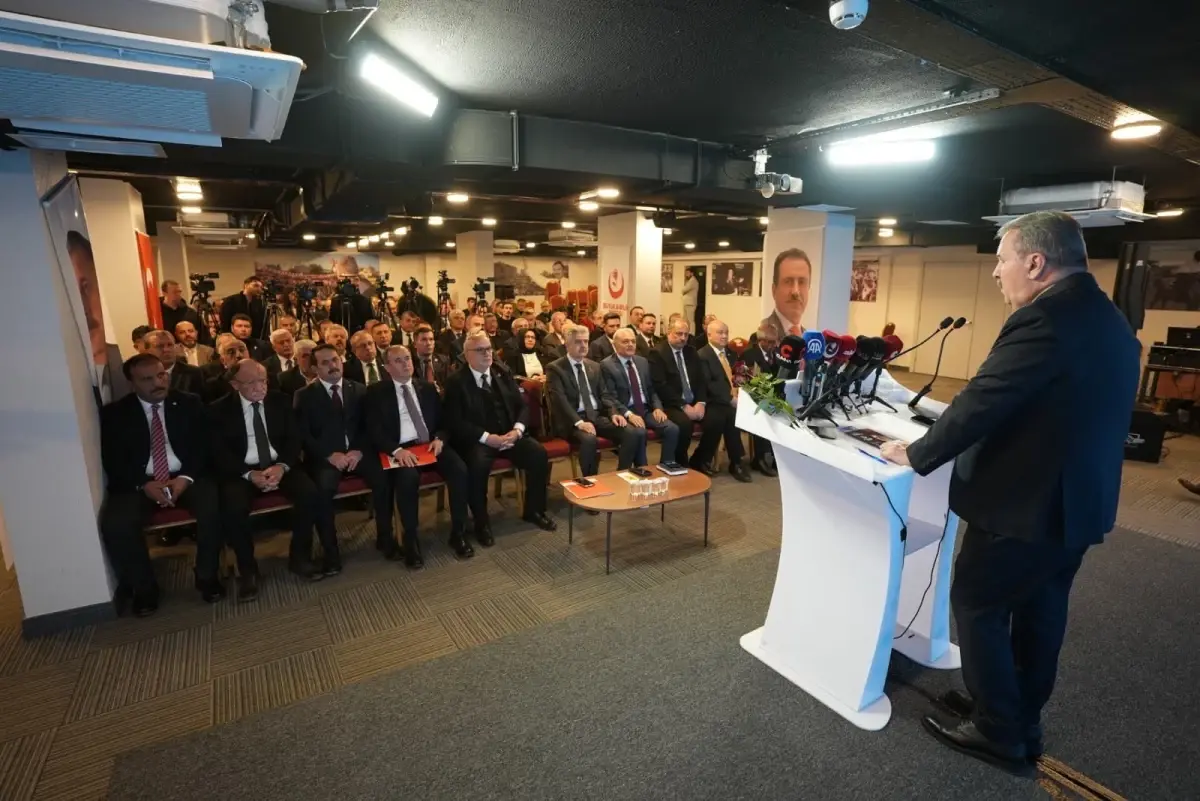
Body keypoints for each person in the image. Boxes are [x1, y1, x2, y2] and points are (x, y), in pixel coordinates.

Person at [879, 211, 1141, 774]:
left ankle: (998, 728)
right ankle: (1019, 716)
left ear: (1036, 262)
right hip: (1077, 505)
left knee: (979, 604)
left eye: (1002, 260)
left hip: (1025, 505)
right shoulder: (1109, 317)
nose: (997, 272)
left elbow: (984, 400)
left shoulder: (1044, 318)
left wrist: (916, 453)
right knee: (1041, 612)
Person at [99, 353, 225, 612]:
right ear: (132, 383)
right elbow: (113, 459)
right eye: (147, 379)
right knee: (117, 523)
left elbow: (204, 447)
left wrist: (185, 478)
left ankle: (207, 576)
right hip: (140, 482)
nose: (158, 383)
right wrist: (143, 485)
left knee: (214, 507)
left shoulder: (189, 403)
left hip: (186, 475)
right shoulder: (116, 414)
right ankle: (144, 588)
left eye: (161, 375)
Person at [209, 359, 323, 587]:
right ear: (234, 384)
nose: (259, 387)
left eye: (263, 381)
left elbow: (294, 439)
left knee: (310, 494)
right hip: (242, 471)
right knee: (233, 507)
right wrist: (248, 474)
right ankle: (248, 569)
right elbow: (218, 451)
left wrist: (282, 466)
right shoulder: (218, 410)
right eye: (251, 382)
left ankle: (300, 557)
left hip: (279, 464)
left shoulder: (280, 401)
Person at [442, 330, 557, 542]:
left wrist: (517, 430)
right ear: (467, 355)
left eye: (489, 349)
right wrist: (487, 438)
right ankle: (481, 523)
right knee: (477, 466)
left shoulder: (501, 371)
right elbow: (455, 422)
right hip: (479, 440)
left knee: (538, 454)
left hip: (509, 434)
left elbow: (522, 406)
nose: (487, 354)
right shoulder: (456, 382)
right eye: (480, 350)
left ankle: (534, 510)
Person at [367, 345, 475, 565]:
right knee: (407, 480)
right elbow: (374, 430)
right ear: (387, 367)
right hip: (401, 449)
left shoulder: (426, 387)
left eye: (407, 358)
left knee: (460, 470)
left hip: (429, 445)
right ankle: (411, 539)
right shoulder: (376, 393)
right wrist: (396, 450)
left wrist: (440, 438)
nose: (405, 363)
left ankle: (458, 532)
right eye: (398, 360)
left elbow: (444, 421)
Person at [295, 344, 395, 570]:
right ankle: (331, 552)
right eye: (325, 363)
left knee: (383, 480)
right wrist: (329, 455)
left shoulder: (358, 389)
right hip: (326, 458)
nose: (333, 366)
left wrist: (358, 450)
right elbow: (303, 435)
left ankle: (386, 538)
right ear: (315, 369)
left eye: (335, 360)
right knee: (323, 491)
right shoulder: (304, 396)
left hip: (358, 453)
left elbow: (369, 426)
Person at [546, 325, 641, 477]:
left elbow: (605, 395)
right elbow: (560, 400)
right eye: (578, 342)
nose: (583, 345)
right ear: (567, 344)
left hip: (596, 416)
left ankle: (622, 474)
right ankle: (591, 480)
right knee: (589, 440)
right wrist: (579, 423)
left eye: (586, 341)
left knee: (631, 432)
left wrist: (613, 413)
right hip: (572, 420)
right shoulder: (556, 368)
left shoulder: (594, 366)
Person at [600, 328, 680, 468]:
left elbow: (651, 389)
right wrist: (629, 414)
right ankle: (640, 469)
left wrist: (657, 408)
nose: (630, 344)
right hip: (625, 411)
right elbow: (610, 397)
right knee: (639, 431)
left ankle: (666, 466)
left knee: (672, 429)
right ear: (615, 344)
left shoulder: (642, 362)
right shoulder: (607, 365)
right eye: (625, 342)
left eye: (633, 341)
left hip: (646, 409)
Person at [693, 320, 752, 482]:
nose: (724, 336)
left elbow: (737, 376)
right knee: (722, 417)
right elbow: (709, 384)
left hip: (730, 399)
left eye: (726, 332)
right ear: (709, 334)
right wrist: (730, 399)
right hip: (710, 400)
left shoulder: (731, 353)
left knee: (731, 415)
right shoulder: (703, 355)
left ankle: (736, 462)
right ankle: (703, 459)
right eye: (720, 333)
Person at [647, 318, 705, 466]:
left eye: (686, 334)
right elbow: (661, 386)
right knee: (684, 424)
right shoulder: (657, 353)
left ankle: (701, 459)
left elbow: (700, 380)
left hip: (693, 401)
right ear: (669, 332)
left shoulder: (691, 351)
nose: (683, 338)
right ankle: (679, 461)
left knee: (717, 418)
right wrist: (684, 406)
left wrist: (701, 402)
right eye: (679, 334)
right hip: (671, 403)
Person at [742, 323, 781, 477]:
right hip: (753, 397)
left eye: (775, 342)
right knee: (763, 413)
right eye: (770, 342)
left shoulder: (777, 354)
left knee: (785, 413)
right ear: (761, 341)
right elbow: (746, 382)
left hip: (772, 396)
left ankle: (777, 457)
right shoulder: (749, 355)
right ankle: (760, 458)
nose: (773, 345)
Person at [762, 249, 811, 337]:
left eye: (801, 282)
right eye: (788, 282)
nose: (795, 291)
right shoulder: (761, 336)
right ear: (774, 291)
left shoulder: (809, 340)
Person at [142, 330, 204, 396]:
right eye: (160, 346)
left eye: (170, 345)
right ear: (147, 351)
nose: (166, 350)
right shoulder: (139, 375)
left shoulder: (192, 373)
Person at [160, 280, 211, 346]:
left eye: (179, 292)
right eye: (174, 292)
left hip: (190, 349)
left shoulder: (191, 313)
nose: (178, 295)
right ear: (164, 293)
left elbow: (203, 335)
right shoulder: (158, 313)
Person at [411, 324, 452, 391]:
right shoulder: (410, 363)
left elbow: (449, 385)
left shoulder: (443, 360)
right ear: (415, 344)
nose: (428, 343)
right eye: (424, 340)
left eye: (431, 339)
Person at [681, 267, 699, 334]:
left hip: (690, 303)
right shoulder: (689, 281)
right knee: (685, 320)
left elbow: (684, 290)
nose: (686, 274)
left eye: (687, 273)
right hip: (687, 303)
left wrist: (683, 290)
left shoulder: (692, 280)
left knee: (691, 320)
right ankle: (686, 332)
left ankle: (692, 334)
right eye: (686, 273)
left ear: (692, 273)